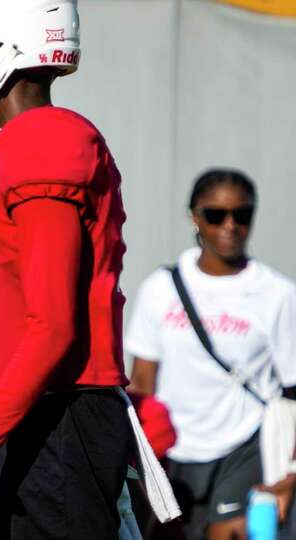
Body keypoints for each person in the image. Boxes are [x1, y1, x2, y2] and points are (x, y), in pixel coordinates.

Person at [0, 1, 138, 538]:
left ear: (1, 47)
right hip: (36, 414)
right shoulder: (29, 140)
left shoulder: (42, 138)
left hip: (60, 421)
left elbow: (53, 326)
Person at [126, 169, 296, 540]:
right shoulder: (161, 288)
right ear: (195, 216)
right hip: (172, 451)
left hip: (244, 445)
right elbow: (141, 383)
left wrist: (291, 474)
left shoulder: (278, 293)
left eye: (243, 215)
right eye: (216, 215)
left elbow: (293, 390)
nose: (230, 226)